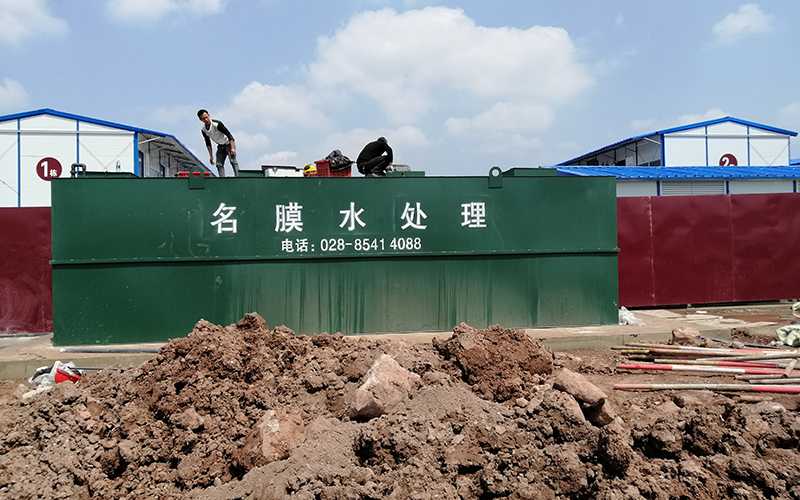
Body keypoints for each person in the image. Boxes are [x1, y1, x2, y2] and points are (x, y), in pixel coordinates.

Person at [197, 109, 239, 177]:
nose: (206, 119)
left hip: (228, 144)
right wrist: (211, 156)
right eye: (203, 119)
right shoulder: (204, 130)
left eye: (206, 117)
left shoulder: (217, 124)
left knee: (232, 161)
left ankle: (238, 176)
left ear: (209, 115)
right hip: (220, 146)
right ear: (201, 120)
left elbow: (230, 136)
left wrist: (233, 148)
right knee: (219, 164)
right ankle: (222, 179)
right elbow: (208, 143)